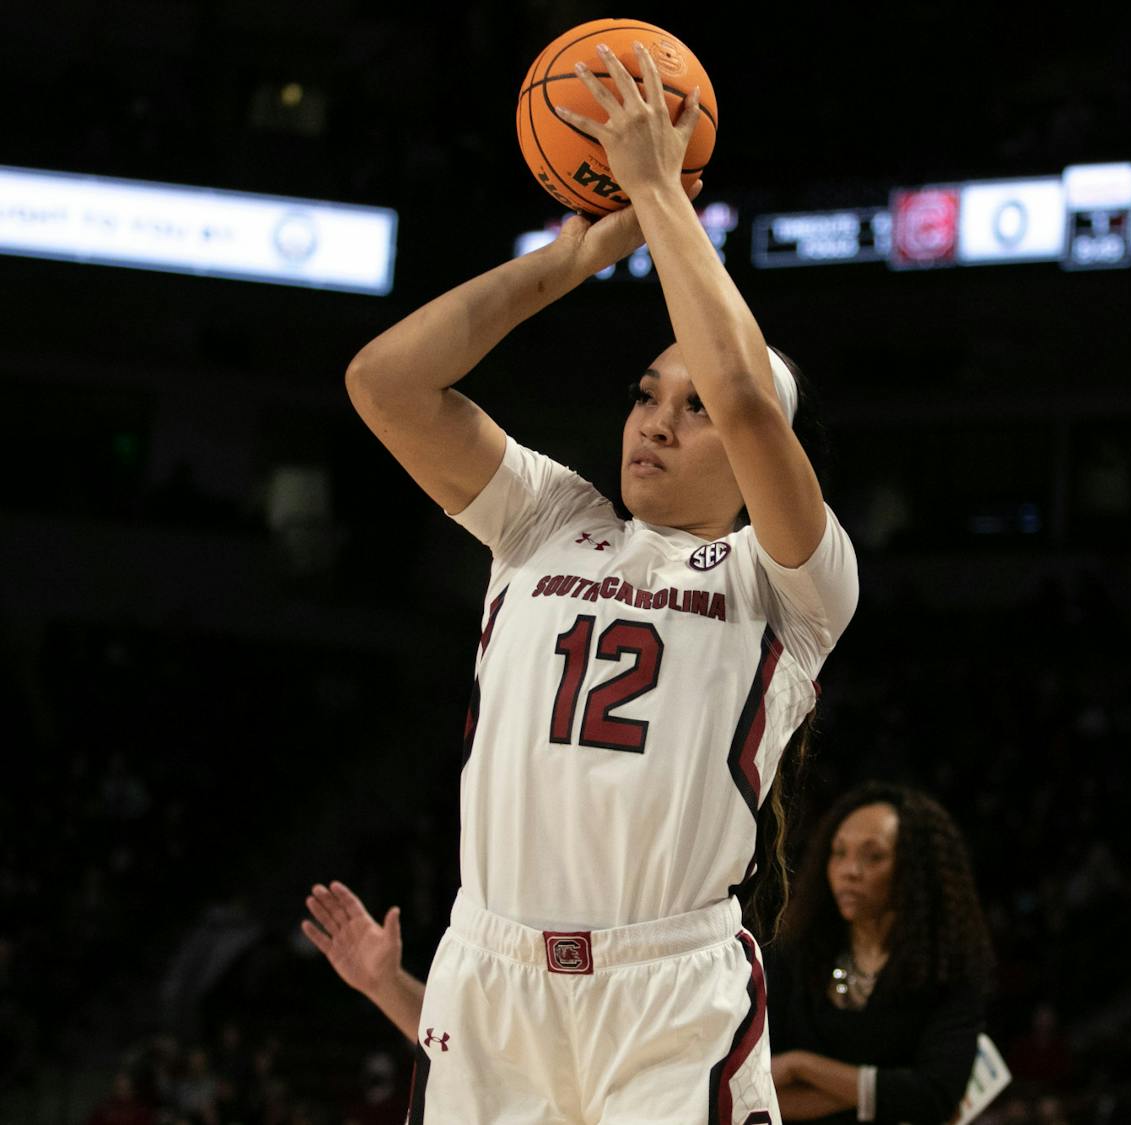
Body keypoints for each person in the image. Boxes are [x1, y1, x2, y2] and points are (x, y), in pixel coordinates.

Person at [307, 39, 857, 1125]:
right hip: (490, 966)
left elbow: (750, 398)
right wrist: (568, 261)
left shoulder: (791, 581)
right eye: (647, 393)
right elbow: (385, 382)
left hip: (669, 988)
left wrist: (660, 192)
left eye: (690, 407)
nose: (658, 420)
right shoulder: (548, 520)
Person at [765, 782, 995, 1123]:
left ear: (915, 870)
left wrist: (803, 1066)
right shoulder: (793, 953)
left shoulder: (949, 972)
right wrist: (890, 1092)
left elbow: (935, 1098)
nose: (849, 871)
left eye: (873, 856)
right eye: (839, 852)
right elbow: (757, 1089)